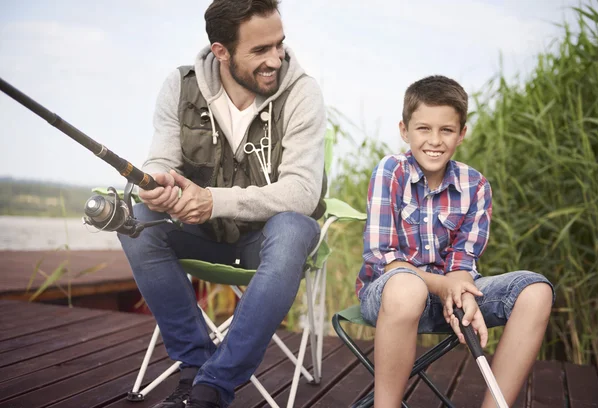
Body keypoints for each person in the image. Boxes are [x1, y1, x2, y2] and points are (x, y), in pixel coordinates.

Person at [118, 1, 326, 407]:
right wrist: (156, 182)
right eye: (260, 50)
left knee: (294, 228)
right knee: (137, 218)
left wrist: (213, 201)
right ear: (221, 51)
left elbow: (302, 192)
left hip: (264, 242)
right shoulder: (179, 86)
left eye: (279, 45)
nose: (276, 59)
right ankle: (195, 367)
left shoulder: (303, 92)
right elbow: (161, 159)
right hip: (202, 237)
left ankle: (213, 387)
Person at [357, 75, 554, 408]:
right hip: (393, 299)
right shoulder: (391, 171)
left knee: (537, 292)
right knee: (408, 287)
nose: (435, 140)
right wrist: (444, 286)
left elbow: (463, 261)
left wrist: (460, 290)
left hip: (451, 297)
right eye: (423, 129)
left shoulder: (475, 185)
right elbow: (385, 257)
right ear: (404, 131)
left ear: (461, 134)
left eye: (446, 130)